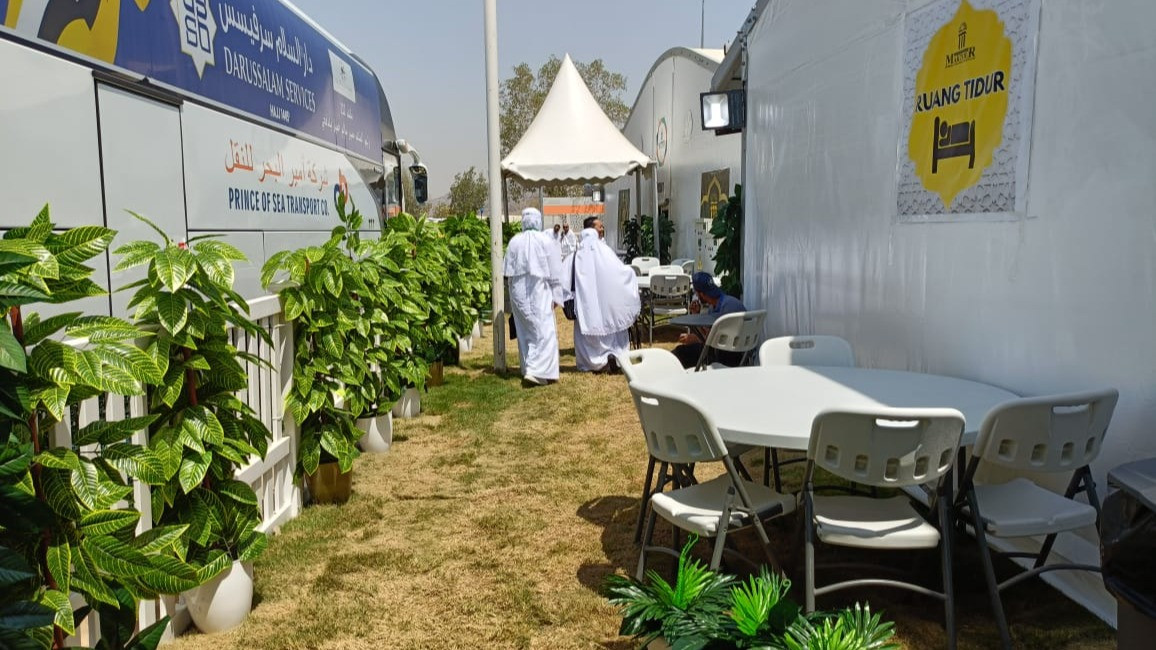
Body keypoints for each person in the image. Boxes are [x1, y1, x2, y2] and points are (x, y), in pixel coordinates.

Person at [563, 224, 640, 373]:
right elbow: (621, 272)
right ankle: (615, 358)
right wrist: (631, 274)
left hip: (585, 308)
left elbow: (564, 279)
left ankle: (592, 363)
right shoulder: (606, 252)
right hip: (607, 306)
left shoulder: (576, 257)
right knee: (611, 332)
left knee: (587, 336)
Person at [503, 208, 563, 386]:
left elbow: (507, 272)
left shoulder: (514, 242)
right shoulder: (545, 240)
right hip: (539, 290)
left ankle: (531, 367)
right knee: (544, 330)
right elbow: (555, 271)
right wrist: (557, 295)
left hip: (518, 292)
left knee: (526, 330)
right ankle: (536, 371)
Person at [671, 272, 748, 369]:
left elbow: (709, 339)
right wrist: (696, 315)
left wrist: (694, 338)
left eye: (696, 293)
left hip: (724, 355)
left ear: (701, 294)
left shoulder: (724, 308)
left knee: (679, 354)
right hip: (739, 354)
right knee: (683, 352)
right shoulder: (723, 303)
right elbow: (709, 336)